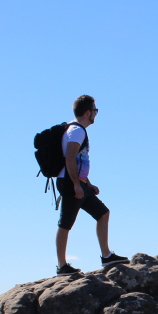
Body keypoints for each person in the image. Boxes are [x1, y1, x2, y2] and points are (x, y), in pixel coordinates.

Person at [54, 95, 129, 275]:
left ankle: (106, 256)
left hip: (78, 182)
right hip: (71, 183)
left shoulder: (76, 130)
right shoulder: (77, 131)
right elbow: (70, 158)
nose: (96, 114)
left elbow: (78, 160)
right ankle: (62, 266)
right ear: (88, 112)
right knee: (65, 223)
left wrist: (88, 183)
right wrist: (76, 185)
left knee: (103, 213)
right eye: (95, 110)